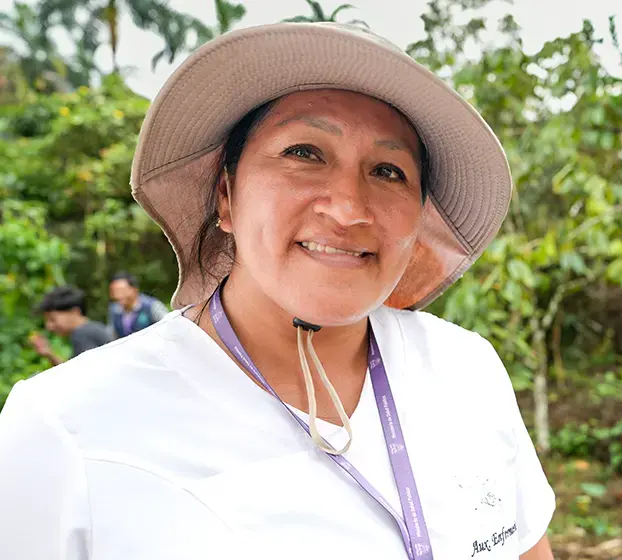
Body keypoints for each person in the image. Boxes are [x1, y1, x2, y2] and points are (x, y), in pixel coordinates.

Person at [0, 22, 555, 560]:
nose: (347, 208)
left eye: (388, 171)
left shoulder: (465, 369)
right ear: (225, 195)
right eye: (304, 153)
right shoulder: (69, 426)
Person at [29, 285, 113, 366]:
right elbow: (73, 370)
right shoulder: (92, 328)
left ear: (74, 312)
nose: (49, 326)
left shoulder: (82, 334)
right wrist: (49, 353)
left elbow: (81, 376)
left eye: (52, 319)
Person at [107, 271, 171, 338]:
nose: (118, 295)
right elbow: (112, 336)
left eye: (122, 290)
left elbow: (169, 327)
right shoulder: (114, 310)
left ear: (134, 289)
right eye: (114, 291)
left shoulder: (152, 306)